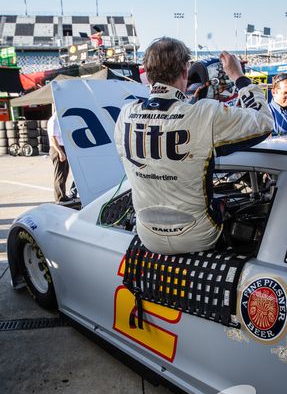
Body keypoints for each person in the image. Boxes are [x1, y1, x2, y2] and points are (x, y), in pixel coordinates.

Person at [114, 37, 273, 255]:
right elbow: (264, 121)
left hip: (148, 235)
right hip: (199, 235)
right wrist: (238, 76)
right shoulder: (204, 113)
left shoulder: (125, 115)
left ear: (147, 74)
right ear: (184, 70)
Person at [48, 112, 77, 204]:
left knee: (64, 173)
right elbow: (53, 138)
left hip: (62, 148)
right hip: (57, 148)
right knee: (60, 174)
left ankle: (62, 196)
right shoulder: (54, 120)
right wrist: (60, 152)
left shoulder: (59, 119)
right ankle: (60, 198)